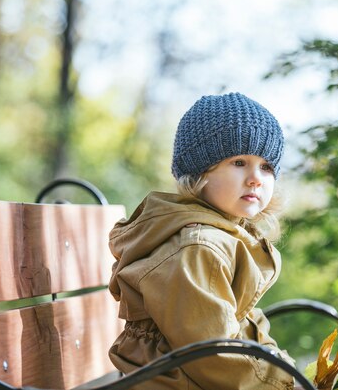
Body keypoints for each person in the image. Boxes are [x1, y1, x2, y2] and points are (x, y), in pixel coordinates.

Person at [107, 92, 296, 390]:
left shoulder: (228, 236)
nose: (256, 178)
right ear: (199, 172)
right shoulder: (199, 246)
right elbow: (214, 354)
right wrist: (286, 384)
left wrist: (284, 370)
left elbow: (245, 326)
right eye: (238, 162)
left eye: (266, 167)